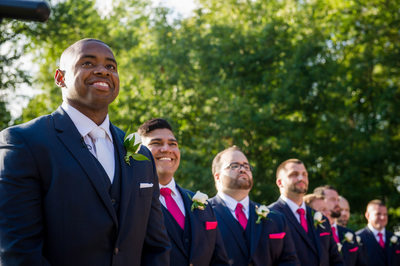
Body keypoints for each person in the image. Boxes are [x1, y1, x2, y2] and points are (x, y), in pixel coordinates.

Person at [0, 39, 170, 266]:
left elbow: (157, 247)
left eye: (111, 67)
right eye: (88, 63)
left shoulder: (141, 155)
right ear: (60, 78)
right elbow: (19, 253)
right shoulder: (23, 143)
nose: (103, 70)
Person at [138, 118, 229, 266]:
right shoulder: (131, 200)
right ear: (138, 151)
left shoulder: (202, 203)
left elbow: (219, 260)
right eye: (156, 143)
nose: (166, 149)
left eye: (172, 144)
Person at [209, 146, 299, 266]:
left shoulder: (276, 219)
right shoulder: (203, 214)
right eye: (234, 166)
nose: (242, 169)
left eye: (246, 166)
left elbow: (289, 261)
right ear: (217, 176)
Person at [268, 159, 343, 266]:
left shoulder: (321, 219)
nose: (301, 178)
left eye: (304, 174)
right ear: (280, 182)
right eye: (294, 174)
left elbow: (336, 260)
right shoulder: (270, 217)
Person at [314, 186, 365, 266]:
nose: (338, 204)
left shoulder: (349, 233)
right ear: (320, 201)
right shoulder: (313, 232)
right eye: (333, 200)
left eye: (338, 200)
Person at [356, 200, 400, 266]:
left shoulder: (396, 238)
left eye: (385, 214)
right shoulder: (358, 238)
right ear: (367, 215)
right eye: (378, 214)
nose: (382, 217)